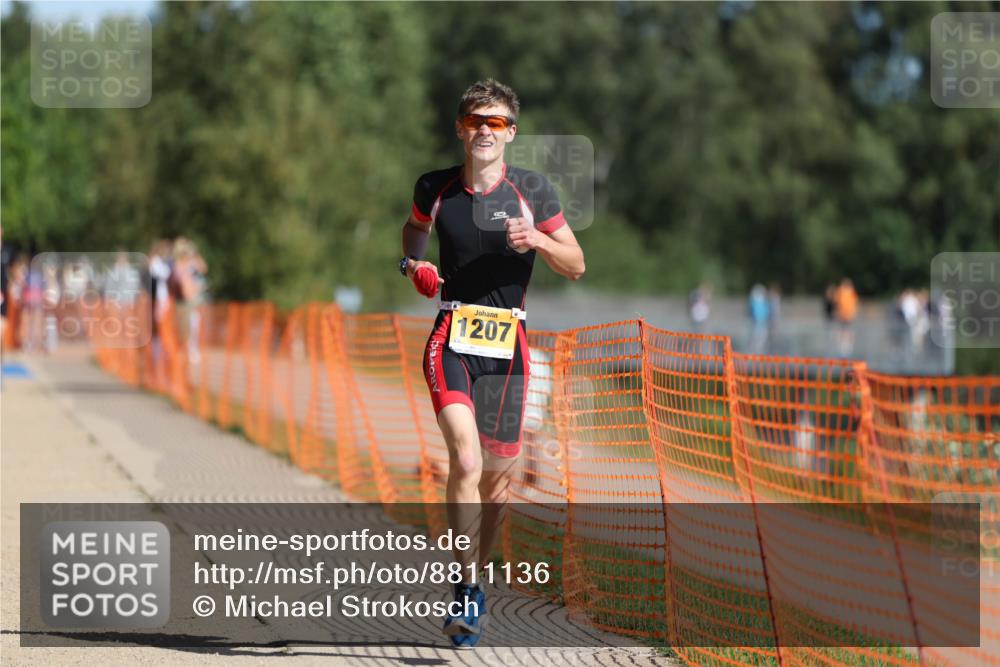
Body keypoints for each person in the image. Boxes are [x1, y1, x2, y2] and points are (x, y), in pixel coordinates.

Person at [400, 79, 585, 648]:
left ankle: (477, 582)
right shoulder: (434, 188)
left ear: (511, 133)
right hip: (451, 338)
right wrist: (413, 266)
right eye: (476, 120)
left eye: (497, 122)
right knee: (464, 457)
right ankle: (464, 588)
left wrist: (538, 241)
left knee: (497, 487)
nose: (485, 129)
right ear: (460, 128)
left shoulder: (533, 190)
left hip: (509, 349)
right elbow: (414, 232)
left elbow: (576, 263)